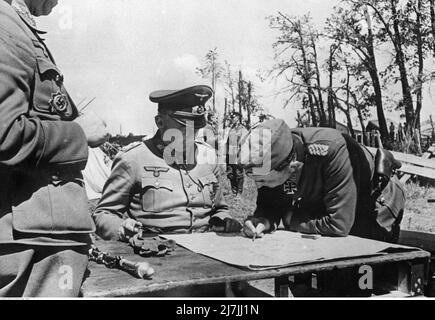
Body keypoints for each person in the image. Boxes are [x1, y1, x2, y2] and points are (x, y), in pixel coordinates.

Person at [0, 0, 109, 297]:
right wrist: (79, 133)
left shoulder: (16, 25)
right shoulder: (4, 24)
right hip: (33, 243)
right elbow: (4, 133)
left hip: (40, 237)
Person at [93, 85, 241, 241]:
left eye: (195, 129)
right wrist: (121, 228)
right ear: (160, 122)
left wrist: (223, 220)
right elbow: (103, 214)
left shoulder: (208, 157)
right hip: (157, 254)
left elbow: (220, 209)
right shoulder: (133, 159)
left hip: (205, 251)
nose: (190, 136)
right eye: (183, 128)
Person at [241, 119, 405, 243]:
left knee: (367, 269)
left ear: (291, 167)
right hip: (327, 203)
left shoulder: (330, 150)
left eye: (263, 180)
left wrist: (292, 220)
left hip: (374, 200)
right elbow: (271, 203)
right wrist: (263, 220)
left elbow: (338, 224)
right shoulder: (275, 155)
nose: (259, 185)